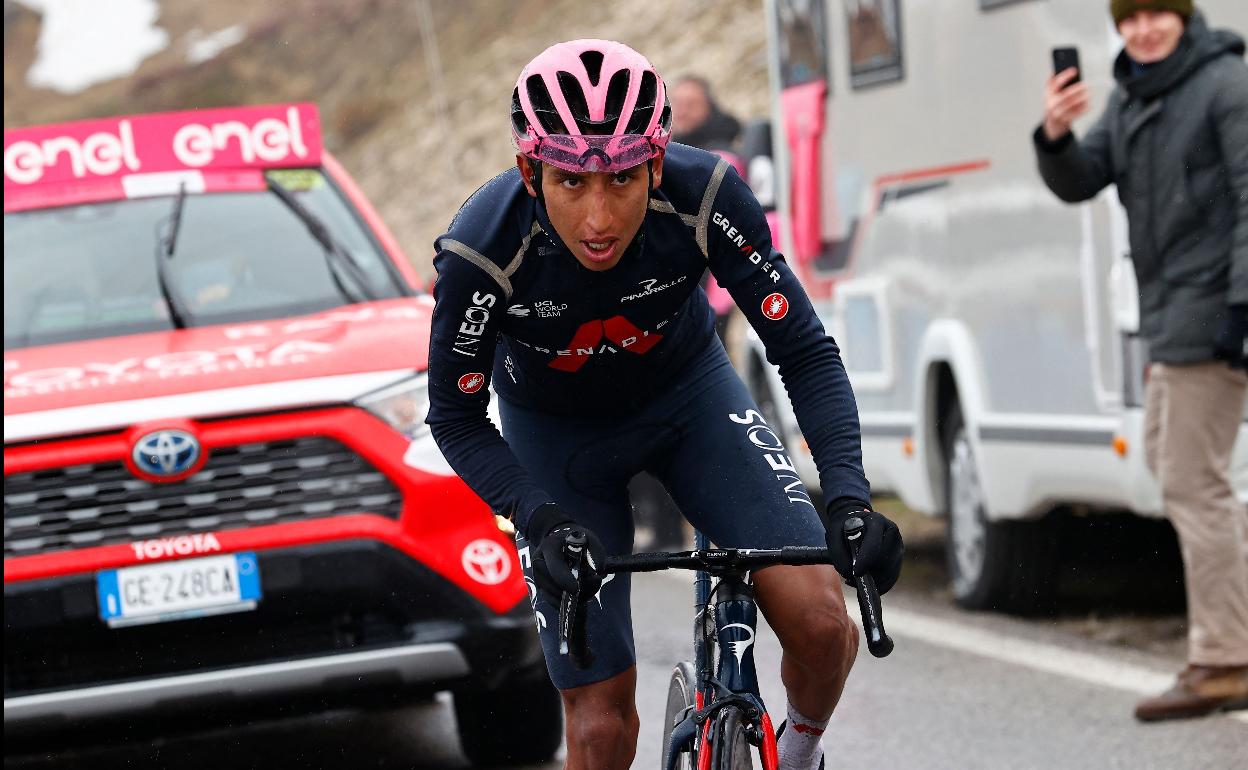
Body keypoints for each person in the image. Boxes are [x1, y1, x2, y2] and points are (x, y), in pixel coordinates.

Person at [426, 39, 903, 769]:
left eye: (621, 180)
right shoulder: (482, 250)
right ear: (530, 170)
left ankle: (799, 755)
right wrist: (537, 517)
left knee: (818, 623)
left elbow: (802, 348)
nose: (598, 217)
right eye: (570, 182)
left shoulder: (705, 195)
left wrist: (848, 498)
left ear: (654, 162)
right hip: (559, 444)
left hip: (691, 403)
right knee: (598, 727)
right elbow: (455, 417)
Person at [1034, 0, 1248, 722]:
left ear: (1184, 18)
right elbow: (1081, 178)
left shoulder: (1224, 85)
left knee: (1194, 480)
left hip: (1214, 309)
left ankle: (1224, 658)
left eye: (1159, 14)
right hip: (1171, 318)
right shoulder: (1133, 96)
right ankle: (1230, 640)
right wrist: (1056, 135)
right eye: (1131, 18)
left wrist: (1242, 311)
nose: (1145, 29)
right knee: (1176, 469)